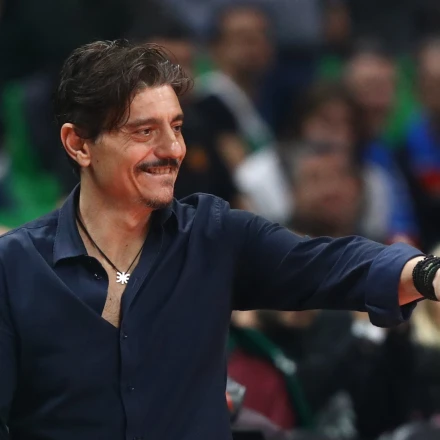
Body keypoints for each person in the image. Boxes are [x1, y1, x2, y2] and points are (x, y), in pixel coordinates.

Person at [0, 40, 436, 440]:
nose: (173, 149)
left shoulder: (214, 236)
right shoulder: (14, 267)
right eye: (145, 131)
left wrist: (426, 272)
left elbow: (328, 263)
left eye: (176, 127)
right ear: (79, 145)